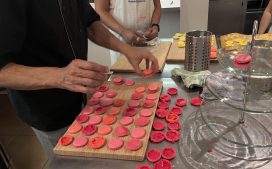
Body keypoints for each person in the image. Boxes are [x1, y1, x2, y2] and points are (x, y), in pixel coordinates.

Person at [0, 0, 158, 160]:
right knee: (69, 162)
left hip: (81, 97)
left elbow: (90, 23)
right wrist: (60, 76)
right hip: (46, 108)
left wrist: (126, 49)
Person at [94, 0, 161, 64]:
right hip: (121, 41)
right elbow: (100, 11)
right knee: (125, 73)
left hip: (148, 40)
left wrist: (155, 26)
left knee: (150, 72)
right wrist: (123, 32)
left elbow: (157, 5)